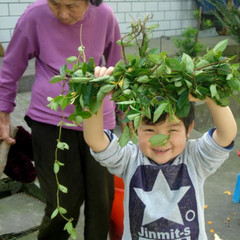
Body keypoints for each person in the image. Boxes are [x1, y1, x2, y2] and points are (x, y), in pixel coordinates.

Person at [0, 0, 122, 239]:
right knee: (62, 204)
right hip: (50, 121)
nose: (63, 14)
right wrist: (3, 114)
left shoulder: (105, 16)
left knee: (102, 201)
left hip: (98, 120)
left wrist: (126, 112)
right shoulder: (35, 15)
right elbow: (10, 66)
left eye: (71, 6)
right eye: (55, 4)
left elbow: (118, 65)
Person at [83, 67, 237, 240]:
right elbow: (95, 140)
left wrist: (209, 95)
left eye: (172, 129)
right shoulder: (129, 159)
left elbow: (226, 135)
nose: (161, 140)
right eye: (149, 129)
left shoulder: (195, 158)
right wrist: (96, 94)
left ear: (189, 129)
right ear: (133, 128)